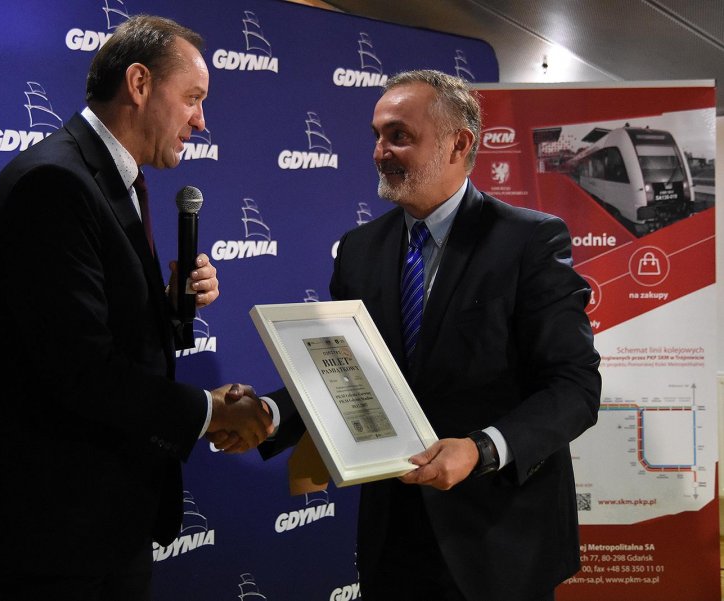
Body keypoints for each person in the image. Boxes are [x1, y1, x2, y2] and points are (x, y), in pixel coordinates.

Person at [0, 15, 274, 601]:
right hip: (45, 527)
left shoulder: (109, 177)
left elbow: (86, 329)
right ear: (139, 84)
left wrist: (165, 306)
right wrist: (208, 412)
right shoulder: (54, 185)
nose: (201, 121)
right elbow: (77, 370)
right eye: (192, 99)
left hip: (99, 518)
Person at [241, 70, 601, 601]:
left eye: (399, 136)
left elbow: (574, 387)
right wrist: (269, 416)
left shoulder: (529, 241)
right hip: (395, 537)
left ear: (460, 144)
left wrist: (482, 450)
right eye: (377, 135)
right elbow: (348, 379)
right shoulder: (359, 250)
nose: (380, 151)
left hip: (498, 540)